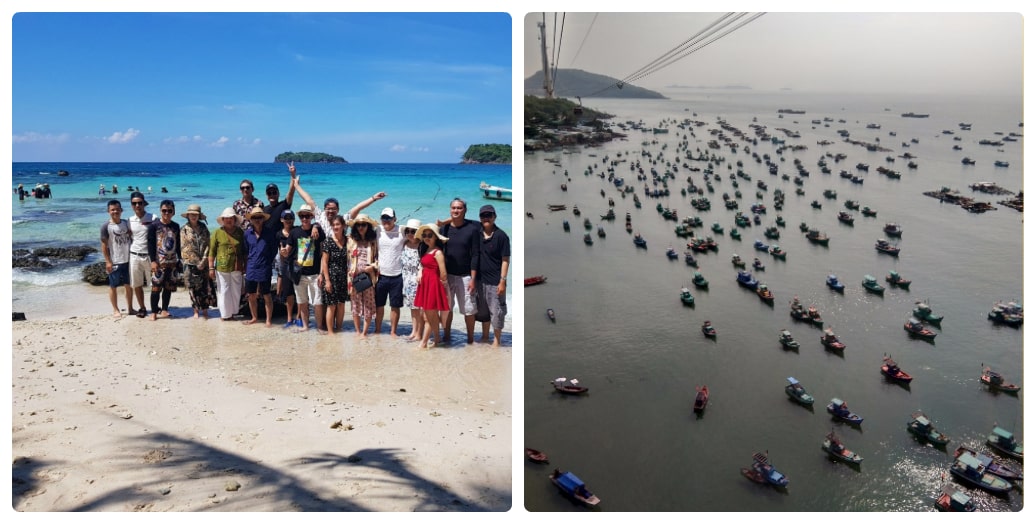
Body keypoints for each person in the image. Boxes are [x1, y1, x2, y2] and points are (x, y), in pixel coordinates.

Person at [438, 198, 480, 344]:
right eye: (454, 208)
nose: (456, 210)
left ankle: (470, 339)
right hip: (447, 275)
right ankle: (446, 336)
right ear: (450, 210)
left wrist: (473, 279)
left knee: (469, 309)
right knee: (447, 308)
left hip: (466, 276)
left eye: (459, 208)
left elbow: (475, 255)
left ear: (465, 210)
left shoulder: (472, 229)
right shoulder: (444, 229)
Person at [286, 203, 326, 331]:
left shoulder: (318, 231)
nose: (304, 218)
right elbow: (288, 249)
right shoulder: (294, 232)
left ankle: (319, 327)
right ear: (299, 217)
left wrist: (316, 225)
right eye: (302, 216)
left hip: (315, 273)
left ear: (311, 217)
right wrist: (284, 252)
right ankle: (305, 326)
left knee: (317, 302)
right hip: (299, 273)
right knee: (302, 301)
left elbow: (323, 252)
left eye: (307, 216)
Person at [476, 205, 509, 347]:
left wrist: (503, 281)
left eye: (489, 215)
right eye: (483, 216)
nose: (486, 218)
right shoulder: (477, 232)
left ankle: (497, 341)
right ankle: (485, 336)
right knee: (483, 311)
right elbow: (460, 220)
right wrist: (442, 223)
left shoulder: (501, 236)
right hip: (479, 280)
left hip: (496, 281)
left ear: (495, 217)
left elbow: (505, 260)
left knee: (497, 312)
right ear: (480, 218)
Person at [413, 223, 449, 349]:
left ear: (435, 237)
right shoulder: (427, 249)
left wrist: (440, 289)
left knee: (428, 316)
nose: (426, 238)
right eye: (424, 235)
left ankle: (423, 343)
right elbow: (423, 266)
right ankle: (437, 339)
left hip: (433, 285)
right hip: (426, 285)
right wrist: (420, 272)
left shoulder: (438, 252)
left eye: (429, 235)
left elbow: (443, 273)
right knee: (428, 314)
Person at [146, 199, 181, 320]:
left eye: (169, 211)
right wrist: (153, 261)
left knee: (168, 288)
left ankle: (165, 309)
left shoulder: (176, 226)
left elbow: (178, 244)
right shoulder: (154, 226)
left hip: (172, 262)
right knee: (156, 288)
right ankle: (154, 312)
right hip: (158, 262)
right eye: (164, 210)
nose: (167, 213)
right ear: (160, 211)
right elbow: (150, 244)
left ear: (173, 212)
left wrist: (180, 259)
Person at [243, 206, 278, 326]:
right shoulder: (247, 234)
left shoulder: (270, 233)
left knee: (267, 294)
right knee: (251, 295)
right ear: (251, 220)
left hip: (265, 267)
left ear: (263, 219)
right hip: (251, 268)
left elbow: (274, 251)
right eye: (254, 218)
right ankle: (254, 318)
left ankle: (268, 320)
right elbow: (246, 250)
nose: (257, 220)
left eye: (259, 217)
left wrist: (267, 261)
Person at [209, 207, 246, 321]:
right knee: (224, 290)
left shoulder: (240, 232)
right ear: (223, 220)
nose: (229, 220)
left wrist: (245, 265)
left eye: (231, 218)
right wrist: (211, 267)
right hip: (222, 266)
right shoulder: (217, 232)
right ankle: (225, 315)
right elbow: (212, 251)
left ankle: (233, 312)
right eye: (226, 218)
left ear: (235, 219)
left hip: (237, 266)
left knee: (236, 290)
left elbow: (244, 251)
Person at [180, 204, 215, 319]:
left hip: (203, 262)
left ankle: (205, 310)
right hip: (189, 262)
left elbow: (208, 244)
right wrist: (196, 262)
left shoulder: (204, 228)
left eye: (196, 214)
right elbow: (185, 248)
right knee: (192, 288)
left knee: (204, 287)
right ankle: (195, 310)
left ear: (199, 216)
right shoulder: (184, 229)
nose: (193, 216)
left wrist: (204, 260)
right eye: (191, 214)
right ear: (188, 216)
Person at [347, 214, 379, 338]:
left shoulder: (373, 241)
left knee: (368, 304)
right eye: (358, 225)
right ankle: (357, 331)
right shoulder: (350, 240)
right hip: (354, 277)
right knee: (355, 304)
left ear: (368, 226)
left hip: (368, 276)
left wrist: (372, 267)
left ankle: (364, 333)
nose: (361, 227)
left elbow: (378, 258)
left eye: (363, 225)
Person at [100, 199, 133, 318]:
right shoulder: (106, 226)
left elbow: (131, 236)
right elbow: (104, 245)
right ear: (108, 211)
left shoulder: (126, 223)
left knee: (128, 285)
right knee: (113, 286)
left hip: (128, 260)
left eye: (117, 209)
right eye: (112, 210)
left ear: (121, 210)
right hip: (115, 261)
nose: (115, 212)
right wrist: (108, 261)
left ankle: (130, 308)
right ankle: (115, 309)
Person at [320, 215, 350, 334]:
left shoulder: (348, 241)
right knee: (331, 305)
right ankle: (331, 332)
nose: (336, 227)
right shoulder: (328, 241)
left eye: (338, 224)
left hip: (344, 277)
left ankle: (339, 329)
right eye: (334, 225)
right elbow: (324, 262)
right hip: (331, 277)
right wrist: (327, 280)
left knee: (341, 304)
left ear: (343, 226)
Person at [127, 191, 154, 317]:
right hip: (134, 255)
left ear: (144, 203)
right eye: (134, 203)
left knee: (154, 284)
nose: (137, 205)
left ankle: (154, 307)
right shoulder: (129, 221)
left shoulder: (153, 218)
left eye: (139, 203)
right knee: (136, 284)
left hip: (149, 256)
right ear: (131, 205)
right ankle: (142, 308)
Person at [400, 218, 424, 341]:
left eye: (413, 231)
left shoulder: (422, 245)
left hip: (417, 280)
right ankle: (414, 331)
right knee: (412, 308)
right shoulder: (404, 244)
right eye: (408, 231)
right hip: (406, 280)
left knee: (419, 309)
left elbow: (424, 263)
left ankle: (419, 333)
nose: (410, 234)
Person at [275, 209, 299, 329]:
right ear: (281, 220)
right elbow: (278, 253)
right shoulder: (278, 234)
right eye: (286, 218)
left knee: (299, 293)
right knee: (288, 293)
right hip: (285, 266)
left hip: (297, 265)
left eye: (290, 218)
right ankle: (289, 318)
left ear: (294, 219)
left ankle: (299, 317)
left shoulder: (297, 231)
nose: (288, 220)